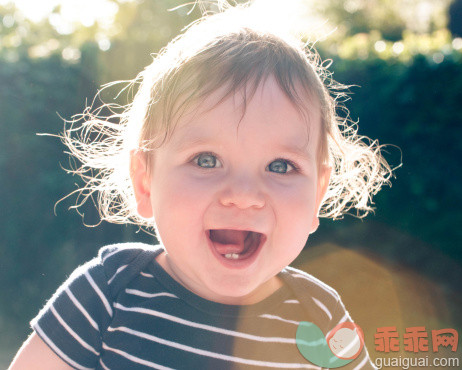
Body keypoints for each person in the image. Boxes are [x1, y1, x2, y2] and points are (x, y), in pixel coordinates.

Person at [10, 2, 392, 369]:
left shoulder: (321, 319)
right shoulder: (108, 294)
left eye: (280, 166)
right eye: (206, 160)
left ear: (317, 195)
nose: (243, 195)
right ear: (145, 181)